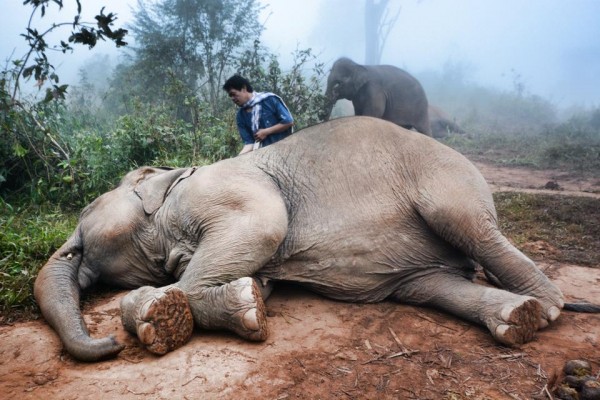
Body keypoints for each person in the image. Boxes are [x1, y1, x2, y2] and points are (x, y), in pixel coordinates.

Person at [223, 75, 294, 155]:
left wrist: (266, 132)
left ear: (244, 88)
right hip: (263, 156)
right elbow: (249, 143)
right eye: (230, 96)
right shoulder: (241, 116)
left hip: (286, 150)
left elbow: (288, 121)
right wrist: (236, 160)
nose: (232, 98)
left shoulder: (269, 100)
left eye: (234, 94)